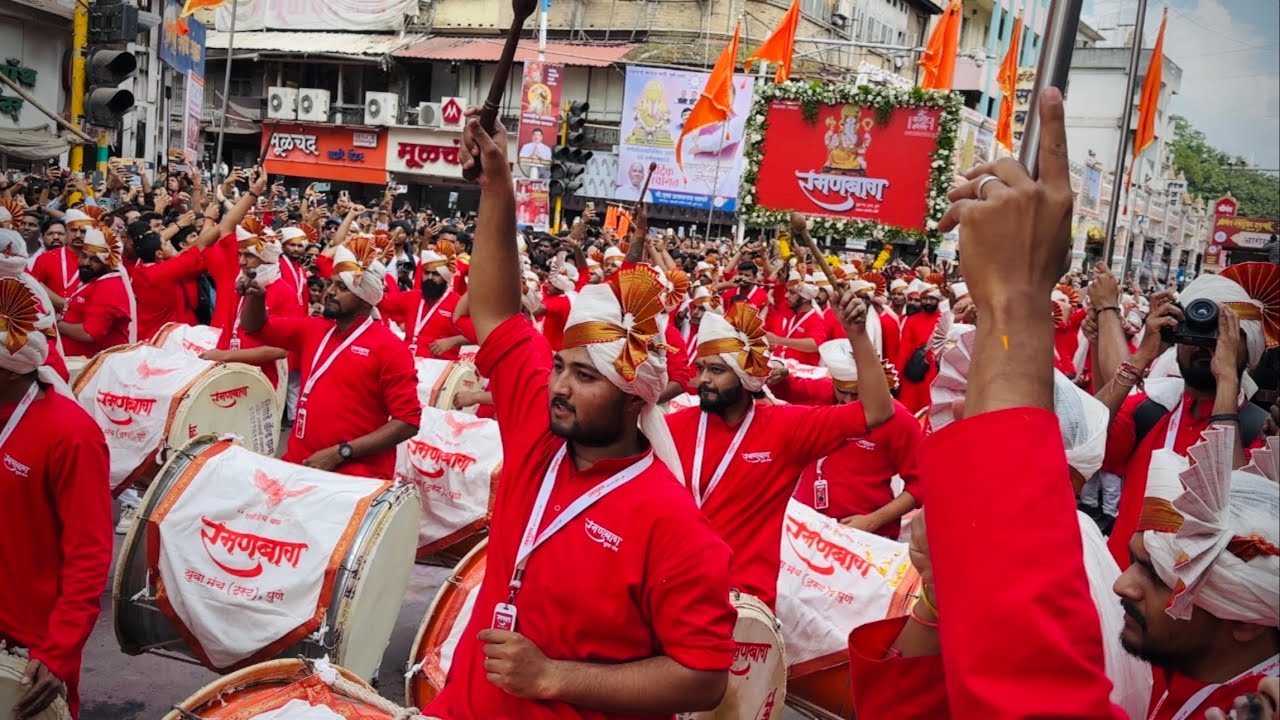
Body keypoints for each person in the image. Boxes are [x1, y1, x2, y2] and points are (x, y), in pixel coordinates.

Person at [427, 108, 735, 719]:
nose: (559, 386)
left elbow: (703, 679)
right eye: (561, 367)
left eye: (586, 376)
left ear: (633, 399)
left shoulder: (672, 524)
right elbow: (495, 312)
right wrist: (497, 182)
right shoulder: (540, 431)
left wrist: (553, 677)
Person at [843, 87, 1124, 718]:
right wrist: (940, 599)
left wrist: (1014, 306)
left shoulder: (1087, 582)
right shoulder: (988, 562)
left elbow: (1027, 689)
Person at [666, 296, 894, 609]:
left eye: (717, 370)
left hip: (743, 602)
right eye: (702, 368)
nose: (704, 379)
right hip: (672, 587)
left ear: (745, 377)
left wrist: (857, 336)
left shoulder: (786, 427)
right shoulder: (671, 426)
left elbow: (877, 412)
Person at [1097, 266, 1274, 568]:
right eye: (1199, 329)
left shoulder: (1262, 432)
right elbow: (1073, 443)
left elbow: (1241, 518)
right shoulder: (1150, 411)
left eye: (1224, 334)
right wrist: (1143, 356)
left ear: (1251, 348)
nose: (1207, 344)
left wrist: (1227, 380)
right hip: (1121, 591)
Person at [0, 276, 112, 719]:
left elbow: (89, 554)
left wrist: (58, 650)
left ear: (8, 369)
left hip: (29, 646)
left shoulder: (72, 434)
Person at [1118, 428, 1278, 718]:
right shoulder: (1187, 670)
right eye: (1134, 561)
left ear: (1246, 624)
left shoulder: (1249, 709)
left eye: (1157, 577)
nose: (1122, 585)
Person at [239, 239, 420, 479]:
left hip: (354, 475)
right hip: (298, 462)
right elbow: (255, 328)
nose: (330, 293)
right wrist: (256, 297)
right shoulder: (314, 329)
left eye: (342, 288)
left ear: (365, 298)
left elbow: (407, 421)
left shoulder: (391, 348)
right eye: (331, 284)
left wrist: (341, 453)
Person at [769, 338, 921, 540]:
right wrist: (780, 372)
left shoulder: (900, 420)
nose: (849, 402)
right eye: (843, 392)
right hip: (808, 527)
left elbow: (920, 486)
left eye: (857, 395)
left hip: (866, 536)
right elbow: (788, 387)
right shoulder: (825, 393)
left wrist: (872, 521)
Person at [201, 223, 301, 390]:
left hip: (261, 383)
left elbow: (280, 350)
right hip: (226, 377)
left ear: (266, 257)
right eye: (239, 255)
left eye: (248, 255)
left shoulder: (284, 292)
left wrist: (226, 356)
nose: (241, 262)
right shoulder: (236, 284)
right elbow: (209, 238)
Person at [57, 223, 136, 357]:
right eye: (84, 256)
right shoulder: (95, 279)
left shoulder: (109, 287)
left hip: (95, 366)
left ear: (108, 264)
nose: (86, 263)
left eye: (94, 260)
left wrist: (58, 324)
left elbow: (89, 333)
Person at [382, 249, 475, 359]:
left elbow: (479, 334)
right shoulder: (411, 297)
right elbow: (381, 303)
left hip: (440, 367)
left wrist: (452, 341)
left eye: (436, 274)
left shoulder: (458, 303)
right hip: (408, 362)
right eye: (426, 273)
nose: (430, 278)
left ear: (445, 278)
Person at [765, 270, 828, 367]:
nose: (786, 296)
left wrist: (778, 340)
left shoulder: (815, 319)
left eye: (792, 293)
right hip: (781, 365)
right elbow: (778, 299)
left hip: (801, 375)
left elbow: (815, 344)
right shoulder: (792, 311)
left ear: (804, 298)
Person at [895, 282, 942, 413]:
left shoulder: (944, 319)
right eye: (924, 299)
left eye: (932, 299)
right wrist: (898, 377)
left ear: (938, 300)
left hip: (936, 373)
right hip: (915, 371)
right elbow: (904, 350)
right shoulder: (912, 320)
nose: (928, 302)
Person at [31, 207, 91, 305]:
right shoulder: (46, 258)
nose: (78, 235)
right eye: (74, 230)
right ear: (66, 231)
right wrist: (62, 303)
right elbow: (34, 286)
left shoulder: (96, 262)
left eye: (83, 231)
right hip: (51, 316)